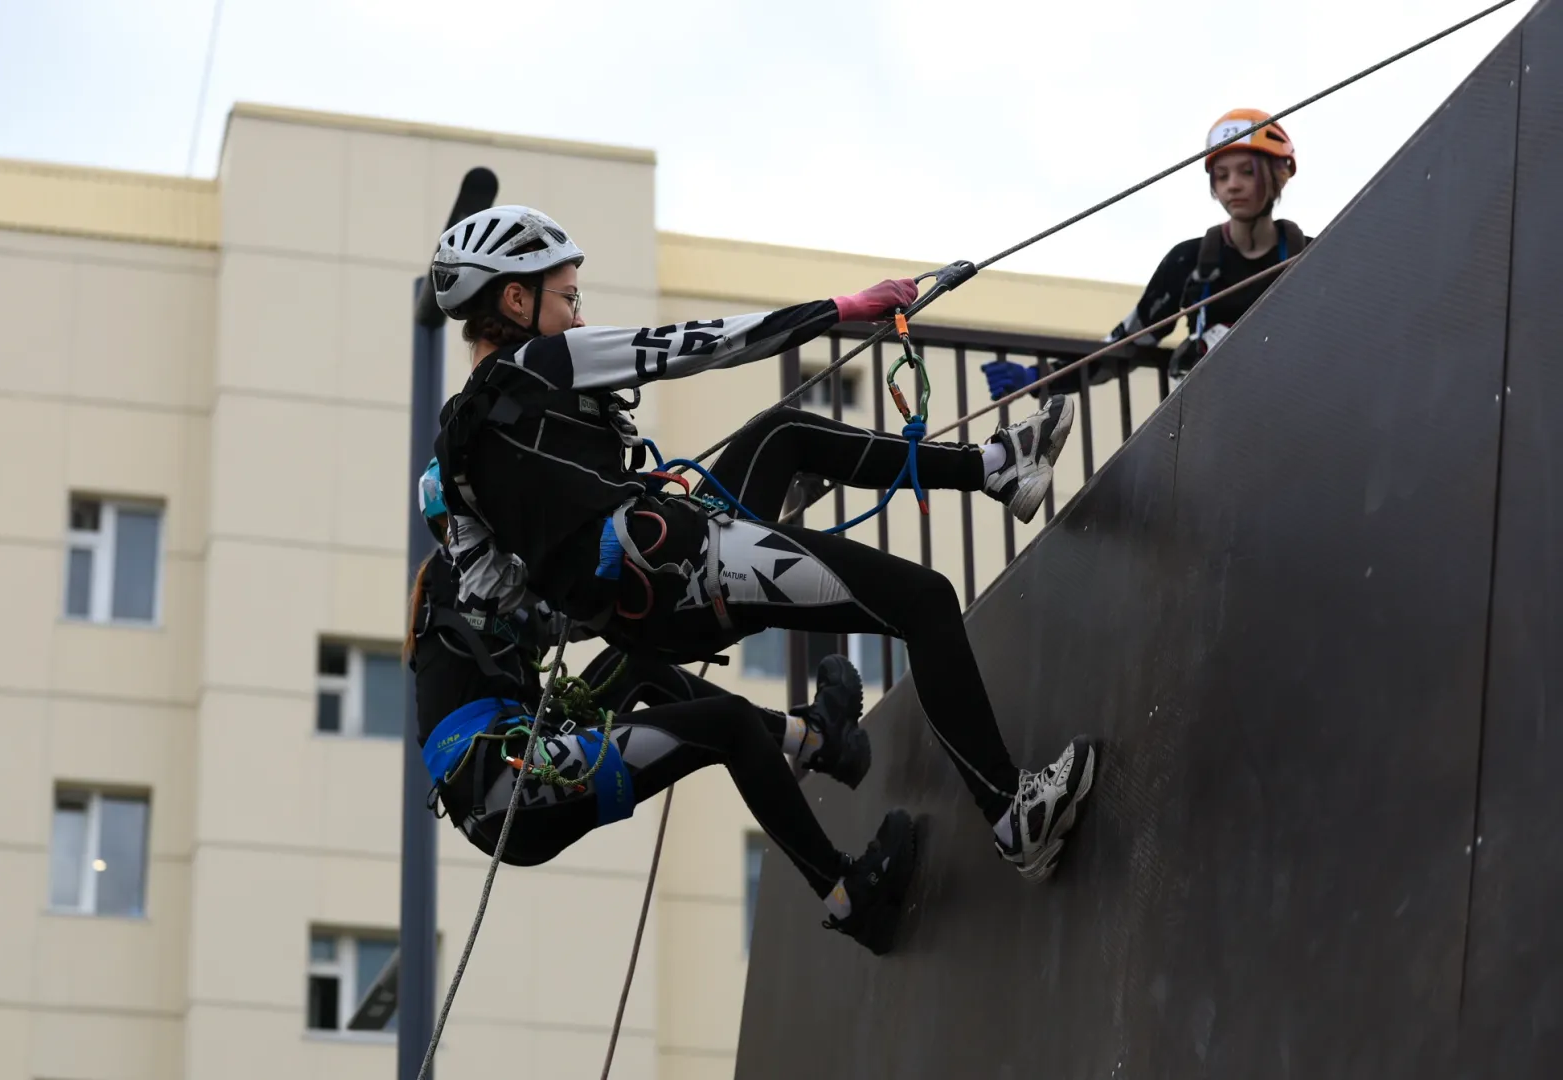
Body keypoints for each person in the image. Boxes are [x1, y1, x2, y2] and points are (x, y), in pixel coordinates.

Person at [426, 205, 1098, 887]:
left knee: (783, 437)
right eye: (567, 298)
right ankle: (1013, 814)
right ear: (516, 299)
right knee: (923, 601)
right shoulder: (543, 361)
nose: (576, 315)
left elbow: (498, 591)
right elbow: (701, 341)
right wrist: (845, 307)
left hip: (647, 601)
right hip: (685, 569)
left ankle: (994, 468)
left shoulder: (454, 456)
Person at [408, 481, 916, 954]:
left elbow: (577, 610)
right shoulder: (458, 573)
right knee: (730, 727)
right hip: (507, 784)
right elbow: (563, 592)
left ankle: (811, 740)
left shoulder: (475, 589)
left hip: (509, 776)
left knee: (636, 662)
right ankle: (845, 894)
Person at [983, 108, 1308, 401]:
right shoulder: (1191, 261)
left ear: (1278, 174)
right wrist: (1038, 377)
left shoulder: (1312, 255)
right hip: (1217, 415)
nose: (1232, 186)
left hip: (1301, 402)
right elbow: (1128, 341)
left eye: (1246, 172)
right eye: (1221, 175)